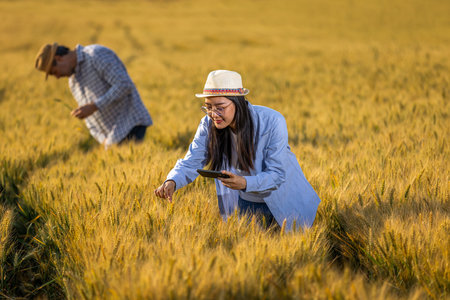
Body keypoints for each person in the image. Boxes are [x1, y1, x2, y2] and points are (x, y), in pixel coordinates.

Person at [154, 70, 321, 230]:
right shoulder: (207, 124)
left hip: (285, 201)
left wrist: (245, 183)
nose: (213, 114)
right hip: (246, 203)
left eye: (220, 107)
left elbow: (277, 174)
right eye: (208, 107)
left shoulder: (272, 121)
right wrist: (172, 181)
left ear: (238, 102)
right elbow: (192, 160)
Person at [34, 43, 152, 147]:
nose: (58, 77)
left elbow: (124, 84)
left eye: (54, 72)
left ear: (58, 58)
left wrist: (94, 106)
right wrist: (103, 140)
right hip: (111, 141)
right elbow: (89, 119)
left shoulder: (95, 55)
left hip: (131, 125)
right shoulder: (73, 82)